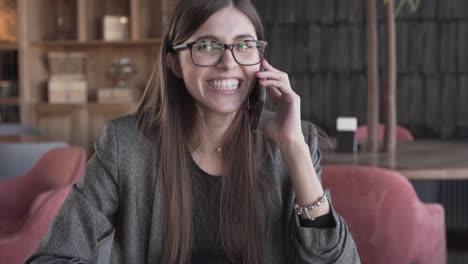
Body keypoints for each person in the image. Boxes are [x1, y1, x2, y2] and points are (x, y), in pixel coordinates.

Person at [26, 0, 360, 263]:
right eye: (207, 46)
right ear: (174, 62)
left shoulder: (294, 146)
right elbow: (53, 256)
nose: (228, 63)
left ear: (261, 59)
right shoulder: (125, 146)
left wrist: (294, 149)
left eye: (244, 45)